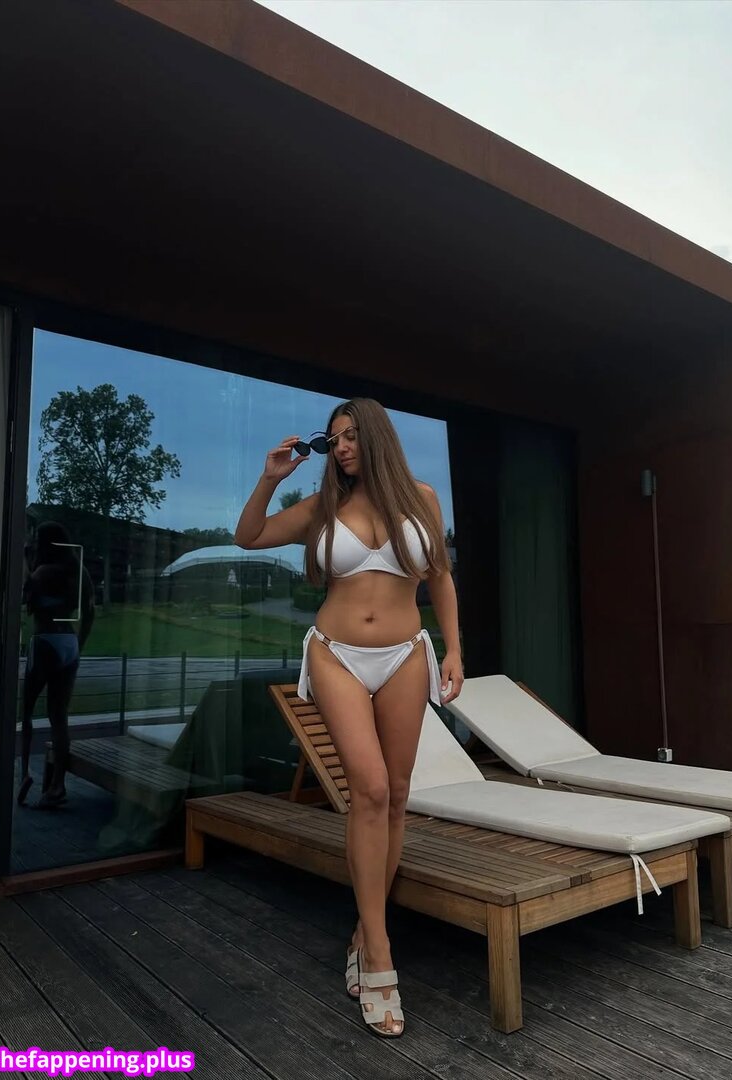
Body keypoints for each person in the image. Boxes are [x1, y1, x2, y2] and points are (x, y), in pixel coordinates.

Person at [235, 398, 463, 1038]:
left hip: (406, 653)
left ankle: (365, 931)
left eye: (351, 435)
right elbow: (248, 536)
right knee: (368, 789)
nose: (340, 447)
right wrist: (270, 479)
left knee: (396, 795)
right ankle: (382, 955)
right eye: (333, 438)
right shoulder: (322, 507)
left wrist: (454, 649)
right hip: (335, 654)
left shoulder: (421, 498)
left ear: (377, 436)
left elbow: (440, 577)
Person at [18, 521, 94, 809]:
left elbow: (24, 594)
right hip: (69, 643)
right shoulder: (80, 571)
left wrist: (23, 557)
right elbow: (90, 611)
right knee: (58, 717)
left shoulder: (42, 571)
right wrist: (79, 645)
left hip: (45, 640)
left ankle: (24, 773)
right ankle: (57, 785)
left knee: (26, 711)